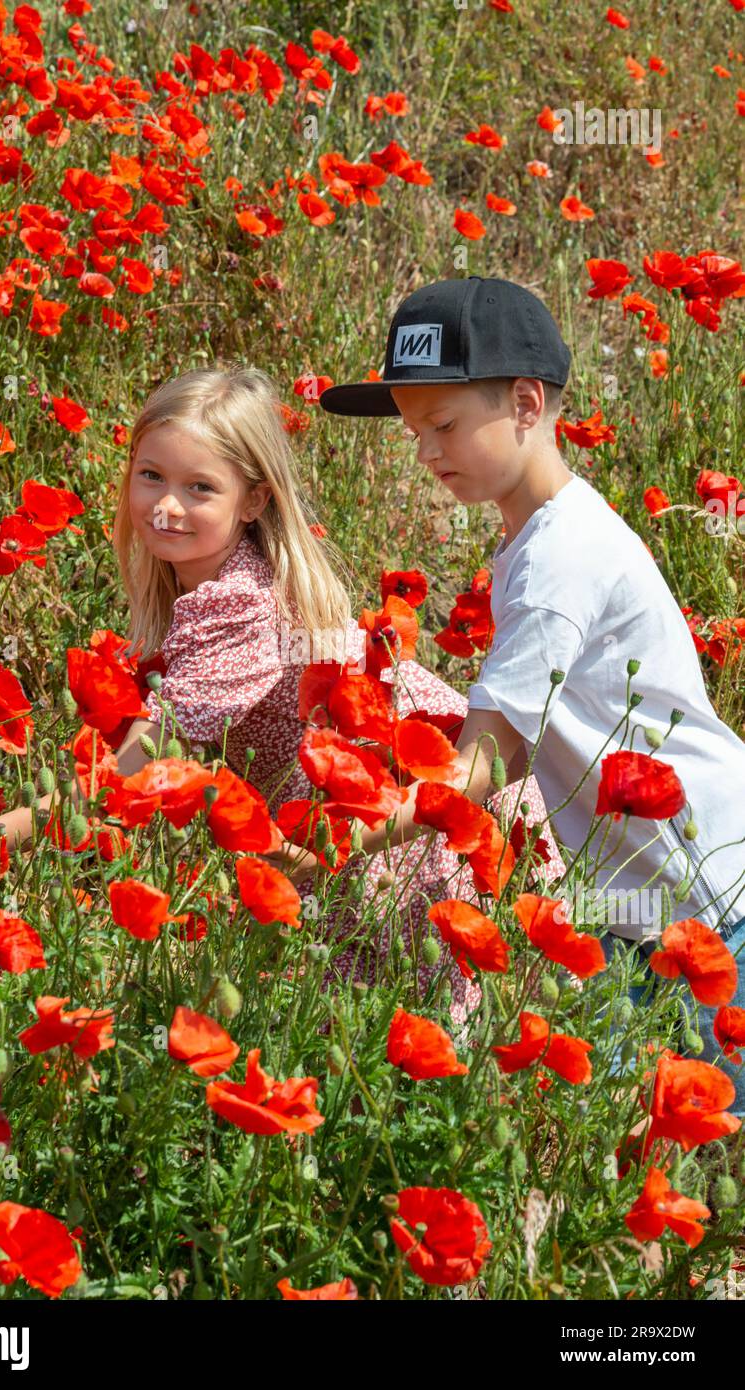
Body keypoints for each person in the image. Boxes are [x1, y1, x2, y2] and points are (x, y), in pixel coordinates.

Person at [0, 364, 565, 1029]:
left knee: (397, 1032)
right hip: (361, 820)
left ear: (254, 500)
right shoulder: (214, 580)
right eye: (150, 475)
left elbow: (130, 776)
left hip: (398, 830)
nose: (166, 505)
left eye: (199, 487)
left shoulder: (236, 607)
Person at [316, 274, 745, 1107]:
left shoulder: (556, 559)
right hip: (636, 904)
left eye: (442, 424)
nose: (425, 452)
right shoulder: (543, 535)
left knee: (702, 1139)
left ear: (524, 403)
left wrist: (338, 840)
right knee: (626, 1132)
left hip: (711, 897)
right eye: (413, 431)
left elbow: (484, 766)